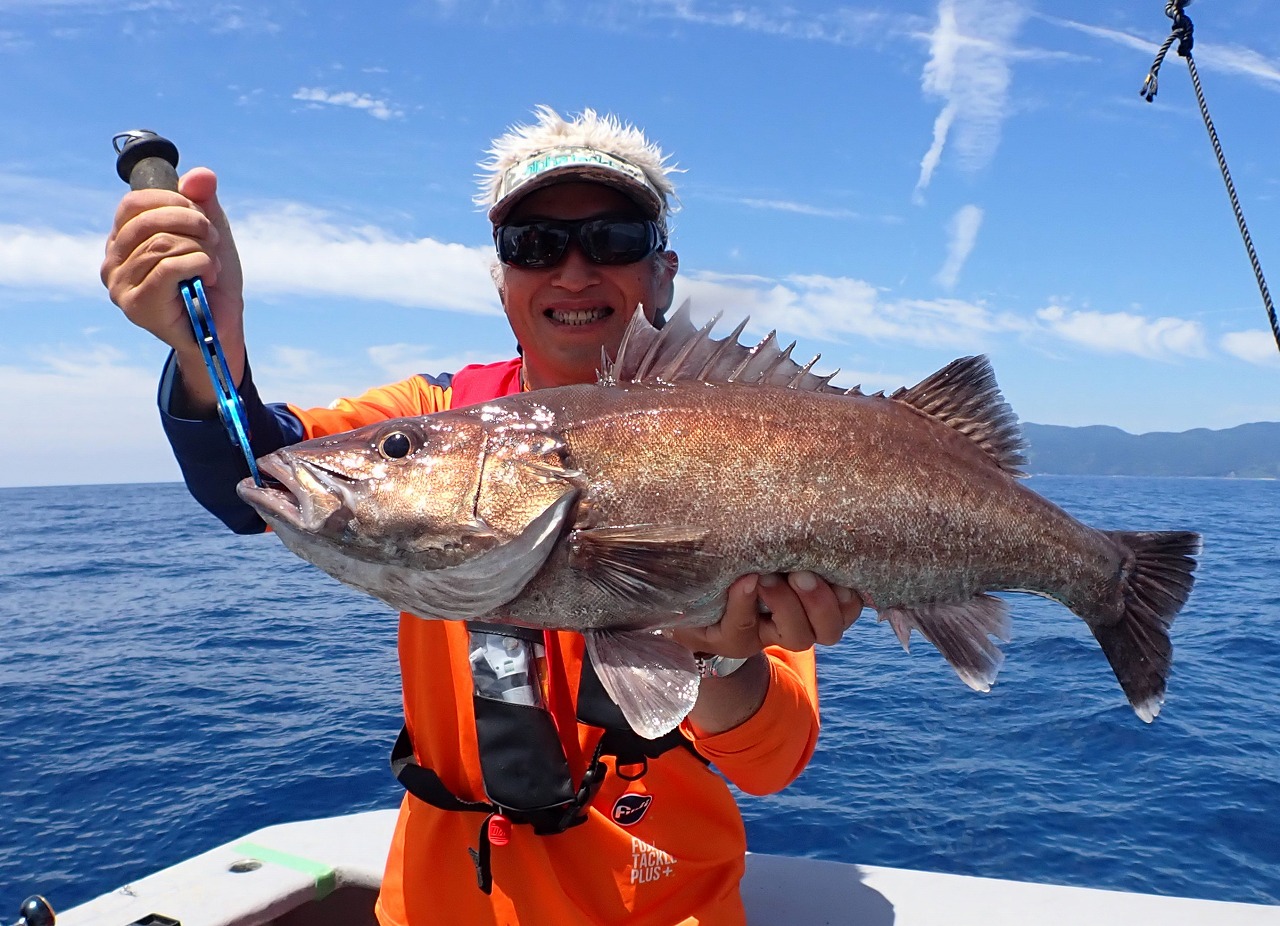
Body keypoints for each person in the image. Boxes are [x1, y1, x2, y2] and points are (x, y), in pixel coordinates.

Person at [101, 105, 864, 926]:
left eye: (613, 240)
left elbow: (774, 759)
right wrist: (205, 345)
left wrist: (714, 656)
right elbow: (255, 475)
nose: (573, 273)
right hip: (439, 902)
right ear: (501, 278)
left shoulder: (756, 447)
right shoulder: (433, 420)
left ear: (663, 273)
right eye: (534, 244)